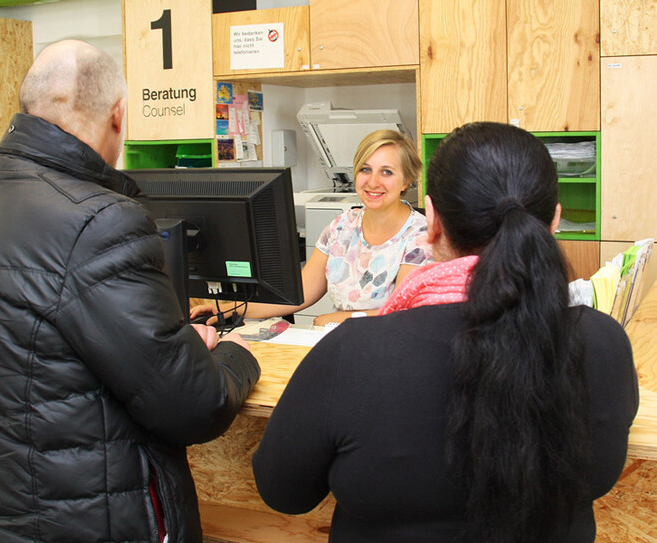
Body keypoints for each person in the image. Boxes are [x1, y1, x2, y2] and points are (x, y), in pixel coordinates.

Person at [251, 122, 638, 542]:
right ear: (554, 221)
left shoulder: (354, 353)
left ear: (431, 221)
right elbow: (599, 477)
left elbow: (284, 492)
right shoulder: (604, 344)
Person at [0, 40, 260, 543]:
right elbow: (196, 404)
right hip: (100, 522)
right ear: (117, 115)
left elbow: (54, 356)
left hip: (5, 520)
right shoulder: (99, 222)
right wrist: (238, 356)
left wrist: (174, 350)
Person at [190, 129, 430, 327]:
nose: (373, 181)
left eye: (386, 172)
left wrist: (338, 320)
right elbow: (300, 293)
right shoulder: (342, 226)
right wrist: (232, 309)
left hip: (390, 348)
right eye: (365, 169)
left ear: (406, 180)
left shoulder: (421, 236)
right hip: (340, 339)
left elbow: (401, 313)